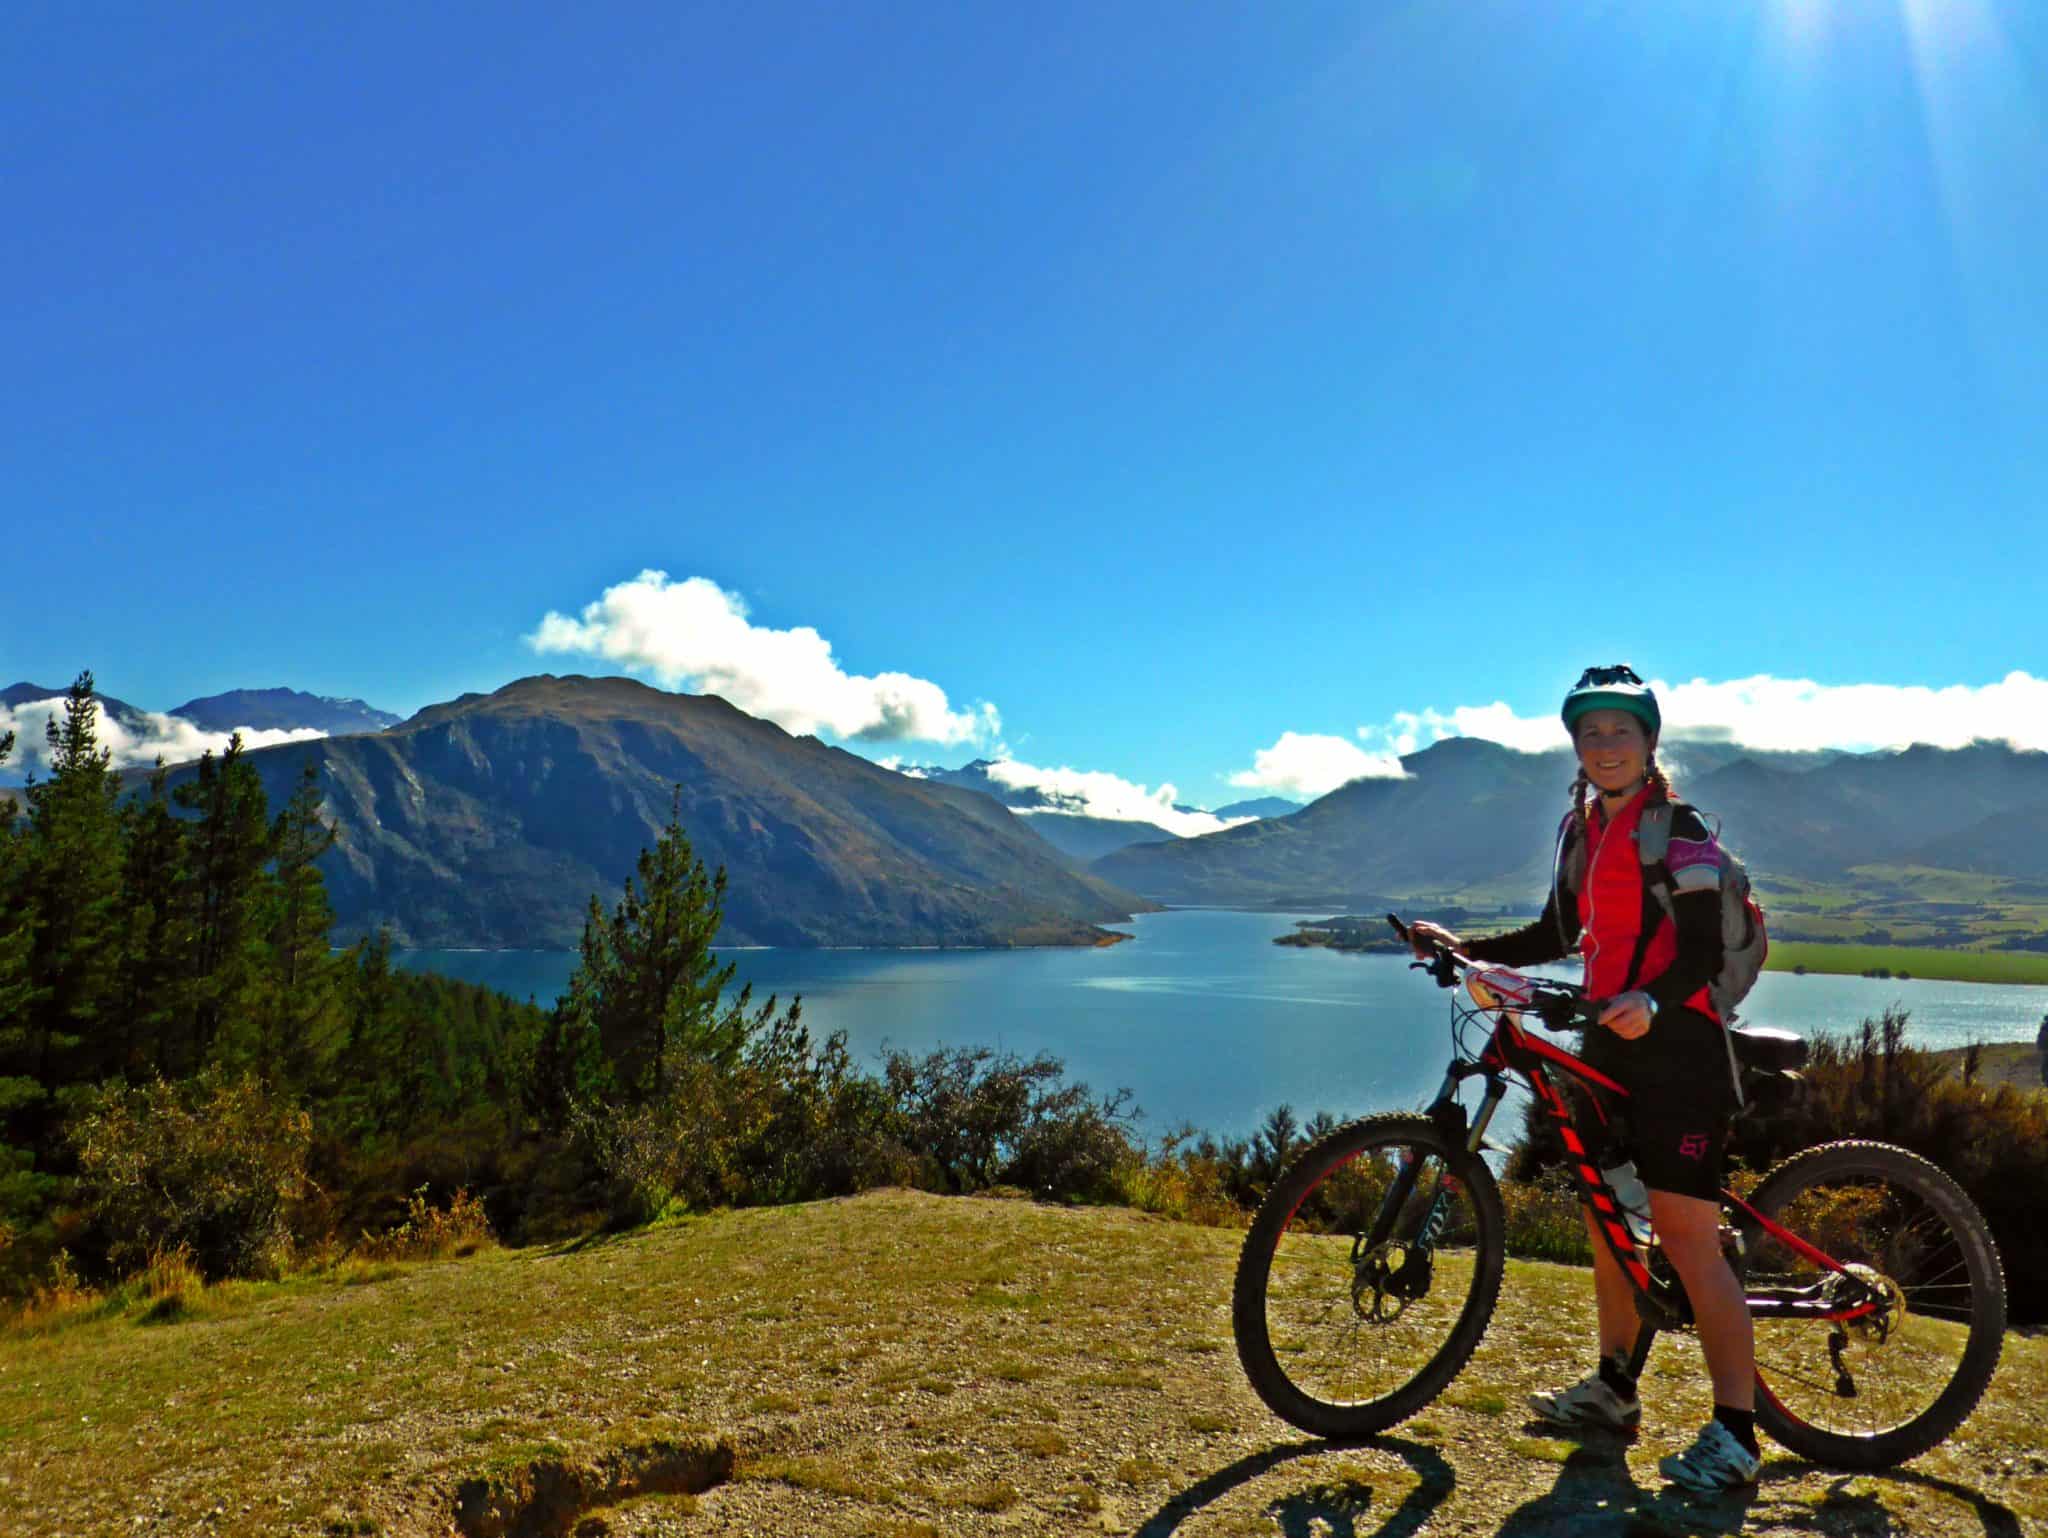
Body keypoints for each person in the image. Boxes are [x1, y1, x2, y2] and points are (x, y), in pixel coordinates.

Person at [1406, 664, 1761, 1493]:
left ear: (1648, 742)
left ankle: (1737, 1435)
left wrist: (1650, 999)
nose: (1605, 745)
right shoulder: (1583, 832)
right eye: (1590, 731)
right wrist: (1467, 950)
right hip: (1611, 1044)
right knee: (1610, 1220)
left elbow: (1704, 953)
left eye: (1621, 731)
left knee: (1685, 1236)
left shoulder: (1677, 827)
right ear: (1575, 743)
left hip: (1681, 1048)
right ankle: (1613, 1390)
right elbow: (1556, 931)